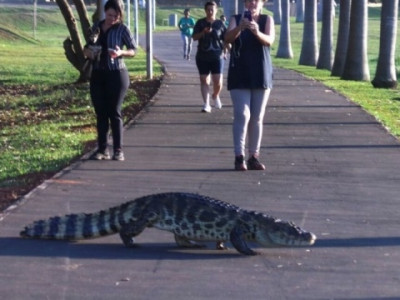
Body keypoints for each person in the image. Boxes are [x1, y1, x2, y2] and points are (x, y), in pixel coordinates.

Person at [224, 0, 275, 171]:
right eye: (249, 0)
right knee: (242, 114)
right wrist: (240, 28)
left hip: (261, 71)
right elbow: (227, 38)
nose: (252, 3)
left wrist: (256, 31)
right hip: (240, 71)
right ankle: (239, 156)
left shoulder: (267, 20)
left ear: (261, 3)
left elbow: (269, 40)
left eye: (256, 0)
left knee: (257, 116)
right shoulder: (236, 19)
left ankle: (253, 156)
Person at [84, 0, 136, 161]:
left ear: (120, 16)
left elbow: (133, 50)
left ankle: (118, 150)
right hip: (98, 74)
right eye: (109, 15)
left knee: (114, 112)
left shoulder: (122, 29)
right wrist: (89, 53)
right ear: (104, 12)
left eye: (115, 16)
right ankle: (102, 149)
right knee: (100, 113)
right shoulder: (97, 27)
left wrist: (121, 53)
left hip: (117, 74)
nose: (112, 18)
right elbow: (86, 47)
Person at [192, 1, 226, 113]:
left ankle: (215, 95)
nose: (210, 12)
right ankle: (206, 104)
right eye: (208, 9)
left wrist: (228, 49)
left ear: (216, 10)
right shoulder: (200, 23)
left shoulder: (220, 24)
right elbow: (194, 37)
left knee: (218, 81)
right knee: (204, 79)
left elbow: (226, 38)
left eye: (212, 9)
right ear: (205, 10)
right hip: (203, 55)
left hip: (217, 56)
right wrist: (203, 32)